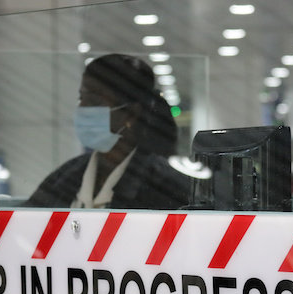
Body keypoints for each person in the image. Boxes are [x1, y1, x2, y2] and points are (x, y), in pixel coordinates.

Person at [22, 54, 190, 209]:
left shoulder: (165, 187)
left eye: (94, 101)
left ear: (130, 114)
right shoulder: (66, 177)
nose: (82, 109)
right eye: (82, 98)